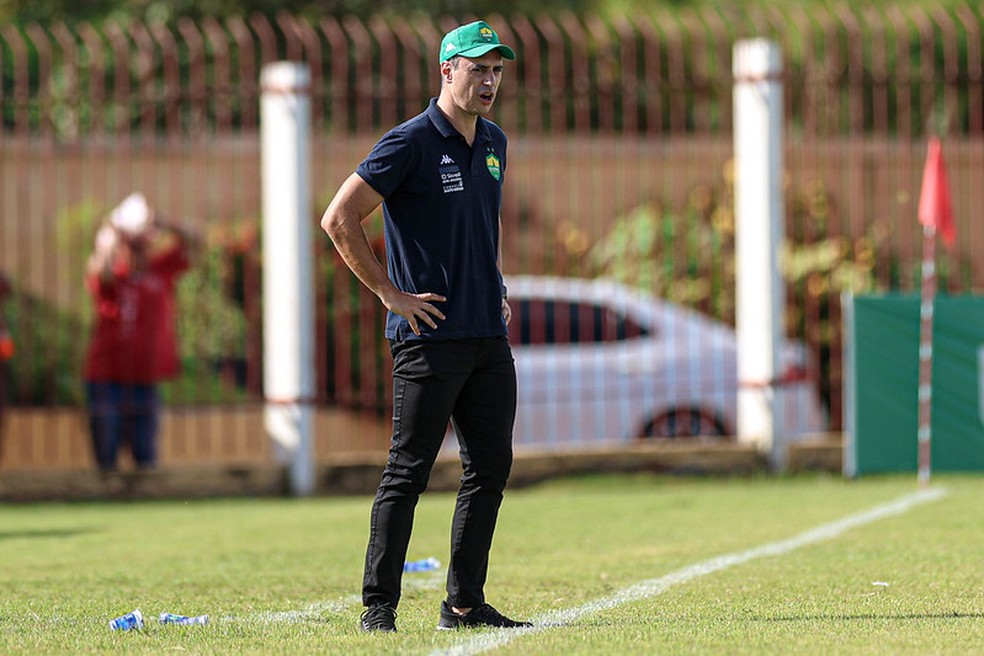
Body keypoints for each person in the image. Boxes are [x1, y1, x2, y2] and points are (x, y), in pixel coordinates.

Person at [321, 20, 531, 633]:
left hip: (487, 338)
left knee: (490, 467)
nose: (489, 80)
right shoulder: (408, 142)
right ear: (447, 71)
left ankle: (463, 604)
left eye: (497, 70)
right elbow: (339, 218)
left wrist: (496, 286)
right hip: (428, 340)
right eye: (478, 68)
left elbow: (476, 231)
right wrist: (391, 294)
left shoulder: (494, 141)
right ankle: (378, 609)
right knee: (407, 471)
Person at [83, 193, 195, 472]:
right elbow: (98, 268)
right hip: (107, 380)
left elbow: (196, 242)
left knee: (146, 458)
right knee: (106, 458)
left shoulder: (160, 269)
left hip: (145, 381)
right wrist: (113, 229)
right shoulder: (112, 273)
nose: (139, 248)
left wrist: (163, 221)